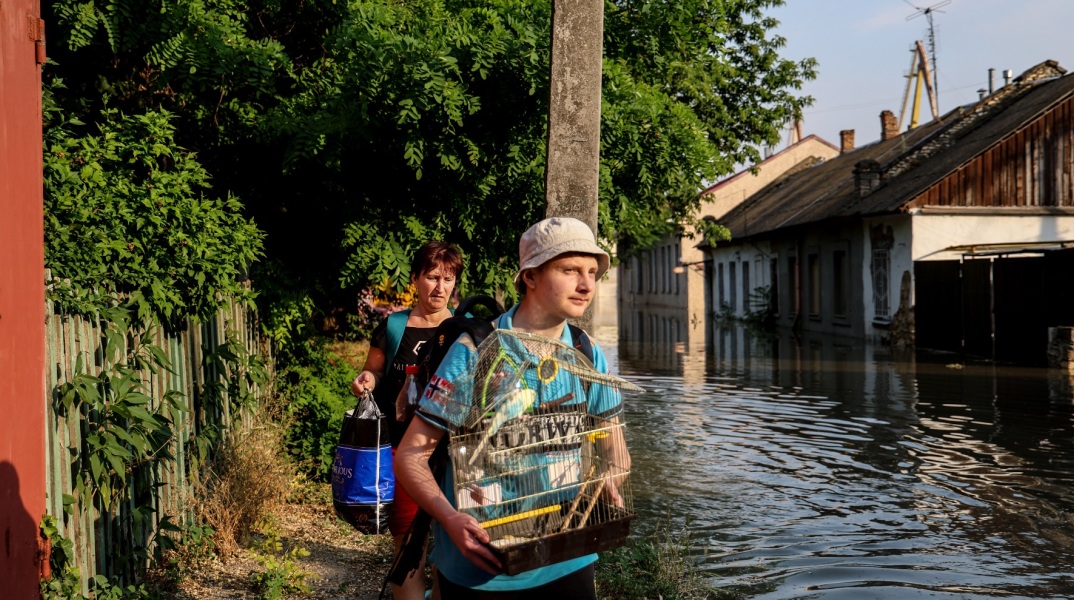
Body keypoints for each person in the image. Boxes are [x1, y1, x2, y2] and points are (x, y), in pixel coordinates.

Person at [394, 217, 630, 599]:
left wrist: (608, 481)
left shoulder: (587, 353)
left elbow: (615, 449)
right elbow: (410, 457)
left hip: (567, 559)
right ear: (531, 277)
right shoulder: (477, 353)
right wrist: (451, 519)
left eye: (591, 271)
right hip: (483, 568)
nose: (586, 284)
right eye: (569, 270)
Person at [351, 240, 463, 600]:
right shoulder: (394, 326)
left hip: (454, 456)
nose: (440, 287)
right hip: (402, 451)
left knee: (450, 551)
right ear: (415, 278)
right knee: (408, 546)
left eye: (448, 278)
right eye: (432, 277)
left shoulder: (466, 330)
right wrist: (367, 380)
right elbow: (374, 370)